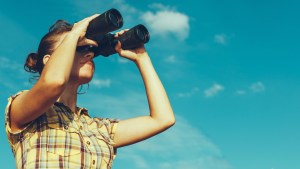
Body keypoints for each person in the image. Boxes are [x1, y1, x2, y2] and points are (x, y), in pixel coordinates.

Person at [4, 14, 175, 169]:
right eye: (79, 47)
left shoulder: (99, 129)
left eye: (91, 50)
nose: (89, 54)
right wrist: (74, 34)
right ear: (48, 61)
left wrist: (141, 58)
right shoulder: (24, 112)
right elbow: (53, 83)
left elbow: (163, 119)